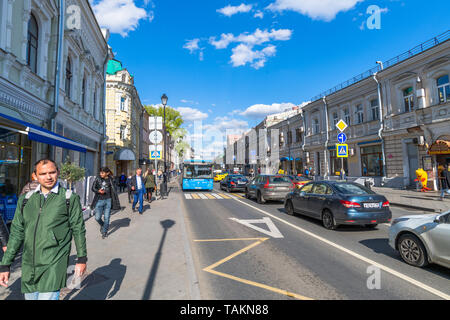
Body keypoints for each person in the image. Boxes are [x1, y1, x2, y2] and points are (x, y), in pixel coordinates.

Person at [0, 159, 87, 300]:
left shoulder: (69, 198)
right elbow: (16, 233)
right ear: (35, 175)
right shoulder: (25, 200)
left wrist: (81, 258)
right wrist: (5, 264)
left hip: (54, 263)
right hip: (29, 266)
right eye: (43, 173)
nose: (48, 177)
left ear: (58, 172)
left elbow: (78, 230)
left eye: (52, 172)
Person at [91, 167, 121, 239]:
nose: (100, 174)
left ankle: (104, 232)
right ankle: (103, 225)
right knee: (97, 218)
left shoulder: (111, 179)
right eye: (100, 172)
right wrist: (98, 191)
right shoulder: (98, 179)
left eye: (102, 172)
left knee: (107, 217)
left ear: (107, 173)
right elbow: (93, 188)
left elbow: (114, 190)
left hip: (108, 200)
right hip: (99, 200)